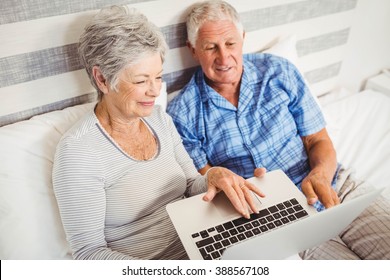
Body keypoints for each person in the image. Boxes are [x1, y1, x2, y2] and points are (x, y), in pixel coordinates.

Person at [167, 0, 390, 259]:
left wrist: (320, 174)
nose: (224, 57)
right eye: (210, 47)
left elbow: (317, 139)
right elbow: (207, 181)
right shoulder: (183, 113)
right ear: (193, 50)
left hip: (337, 185)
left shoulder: (278, 71)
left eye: (230, 43)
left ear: (243, 38)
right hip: (281, 217)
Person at [52, 5, 265, 260]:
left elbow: (189, 184)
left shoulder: (160, 119)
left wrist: (212, 177)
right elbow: (89, 254)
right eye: (141, 81)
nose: (154, 91)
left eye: (158, 77)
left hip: (206, 247)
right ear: (102, 79)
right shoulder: (79, 151)